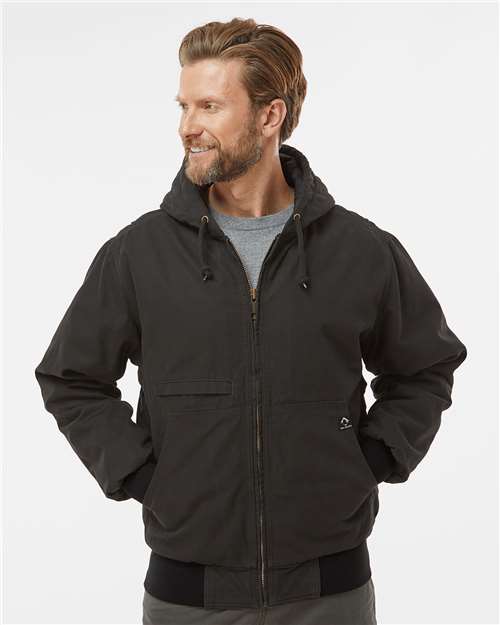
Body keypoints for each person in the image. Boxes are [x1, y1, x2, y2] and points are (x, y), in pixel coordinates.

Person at [34, 17, 467, 625]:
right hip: (188, 596)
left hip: (330, 593)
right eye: (184, 106)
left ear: (270, 115)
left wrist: (368, 461)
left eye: (210, 106)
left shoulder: (361, 250)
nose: (188, 126)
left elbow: (425, 367)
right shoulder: (139, 254)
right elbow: (72, 378)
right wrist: (144, 475)